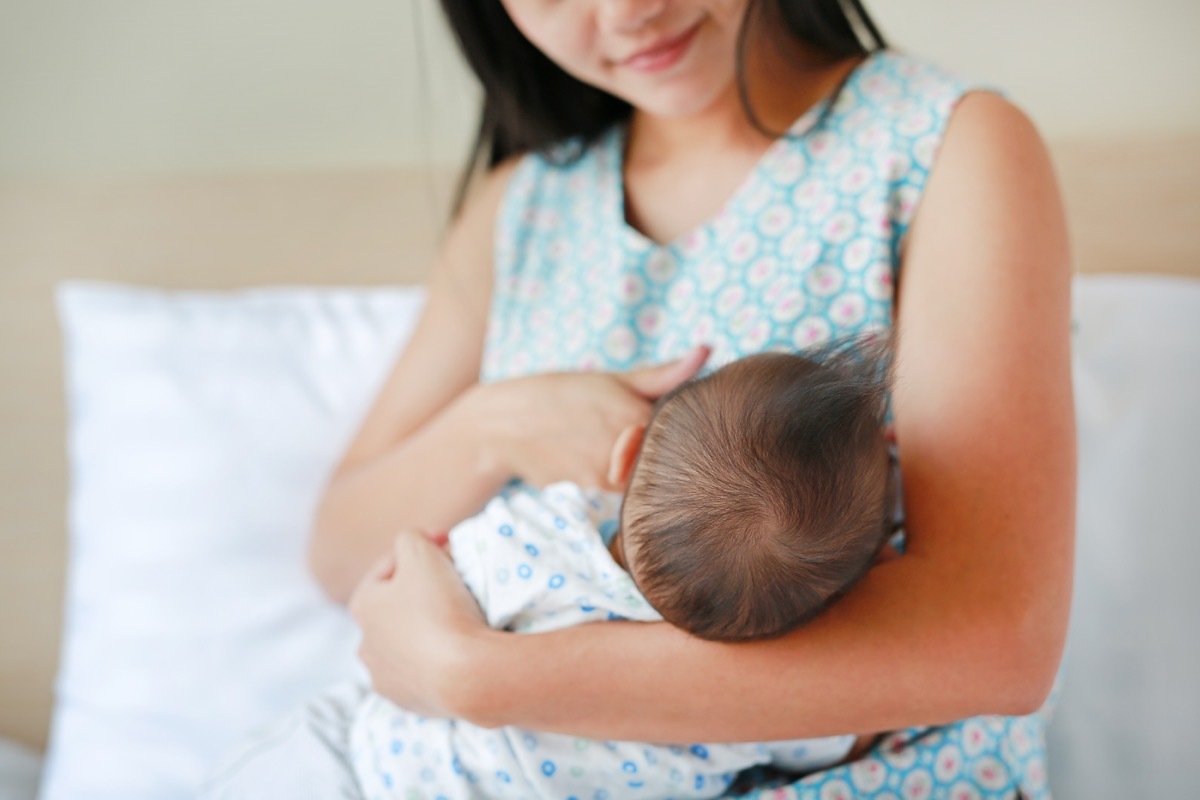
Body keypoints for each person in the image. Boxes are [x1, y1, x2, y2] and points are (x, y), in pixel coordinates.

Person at [315, 0, 1075, 797]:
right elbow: (338, 554)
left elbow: (998, 644)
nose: (629, 12)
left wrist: (482, 680)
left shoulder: (941, 144)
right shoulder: (521, 211)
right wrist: (498, 425)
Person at [203, 346, 895, 799]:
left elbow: (410, 571)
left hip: (348, 769)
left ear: (624, 460)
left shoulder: (536, 532)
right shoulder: (760, 707)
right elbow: (860, 724)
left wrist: (421, 552)